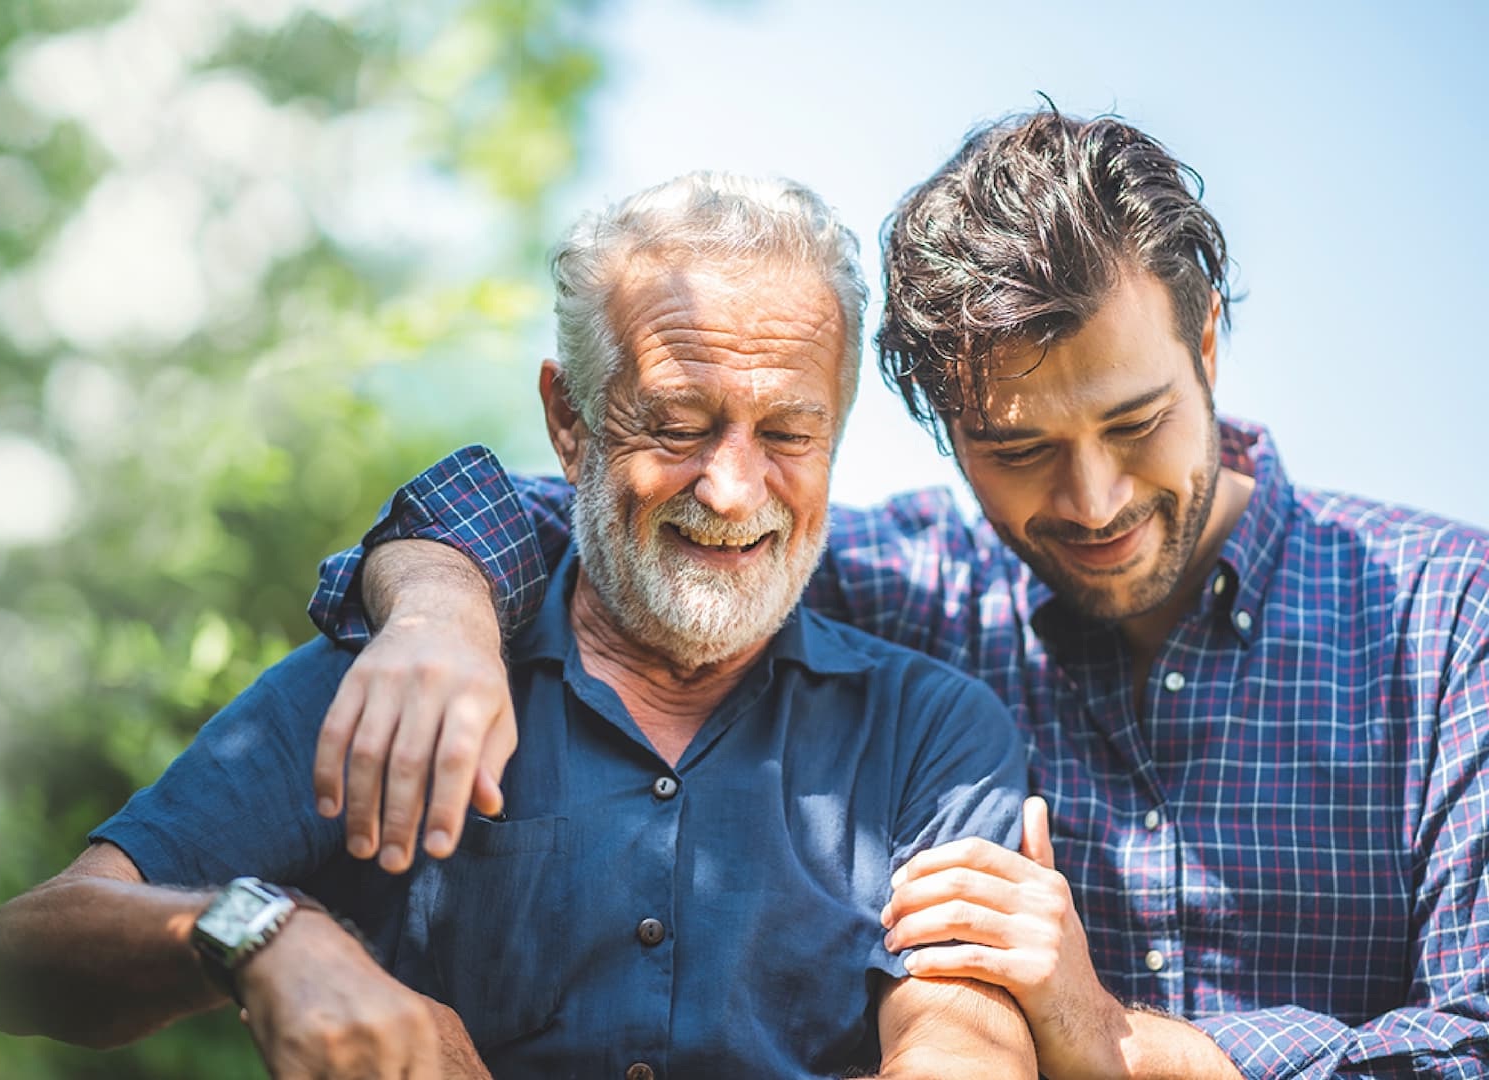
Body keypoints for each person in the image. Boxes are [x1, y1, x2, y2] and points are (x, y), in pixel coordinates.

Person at [305, 110, 1489, 1080]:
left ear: (1209, 346)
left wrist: (1120, 1045)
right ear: (940, 429)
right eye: (1018, 449)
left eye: (1136, 424)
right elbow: (604, 513)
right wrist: (442, 611)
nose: (1092, 501)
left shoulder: (1449, 622)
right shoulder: (909, 590)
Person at [0, 172, 1038, 1079]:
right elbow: (22, 958)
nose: (730, 488)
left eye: (791, 433)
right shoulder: (400, 679)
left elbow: (963, 1038)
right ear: (569, 421)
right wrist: (265, 933)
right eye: (675, 424)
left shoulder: (931, 729)